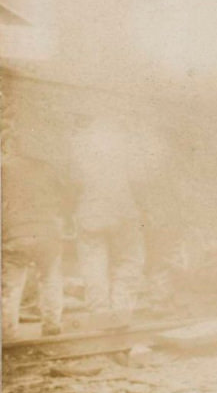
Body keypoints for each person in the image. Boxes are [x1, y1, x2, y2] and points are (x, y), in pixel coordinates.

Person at [69, 116, 145, 319]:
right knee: (129, 259)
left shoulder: (80, 150)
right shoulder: (124, 148)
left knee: (93, 262)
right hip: (123, 210)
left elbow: (72, 182)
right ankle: (122, 310)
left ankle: (99, 312)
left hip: (91, 211)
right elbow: (140, 179)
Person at [1, 120, 69, 337]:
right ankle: (52, 325)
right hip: (48, 232)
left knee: (11, 284)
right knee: (50, 278)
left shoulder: (5, 168)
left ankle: (7, 332)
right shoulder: (48, 169)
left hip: (16, 233)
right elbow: (63, 197)